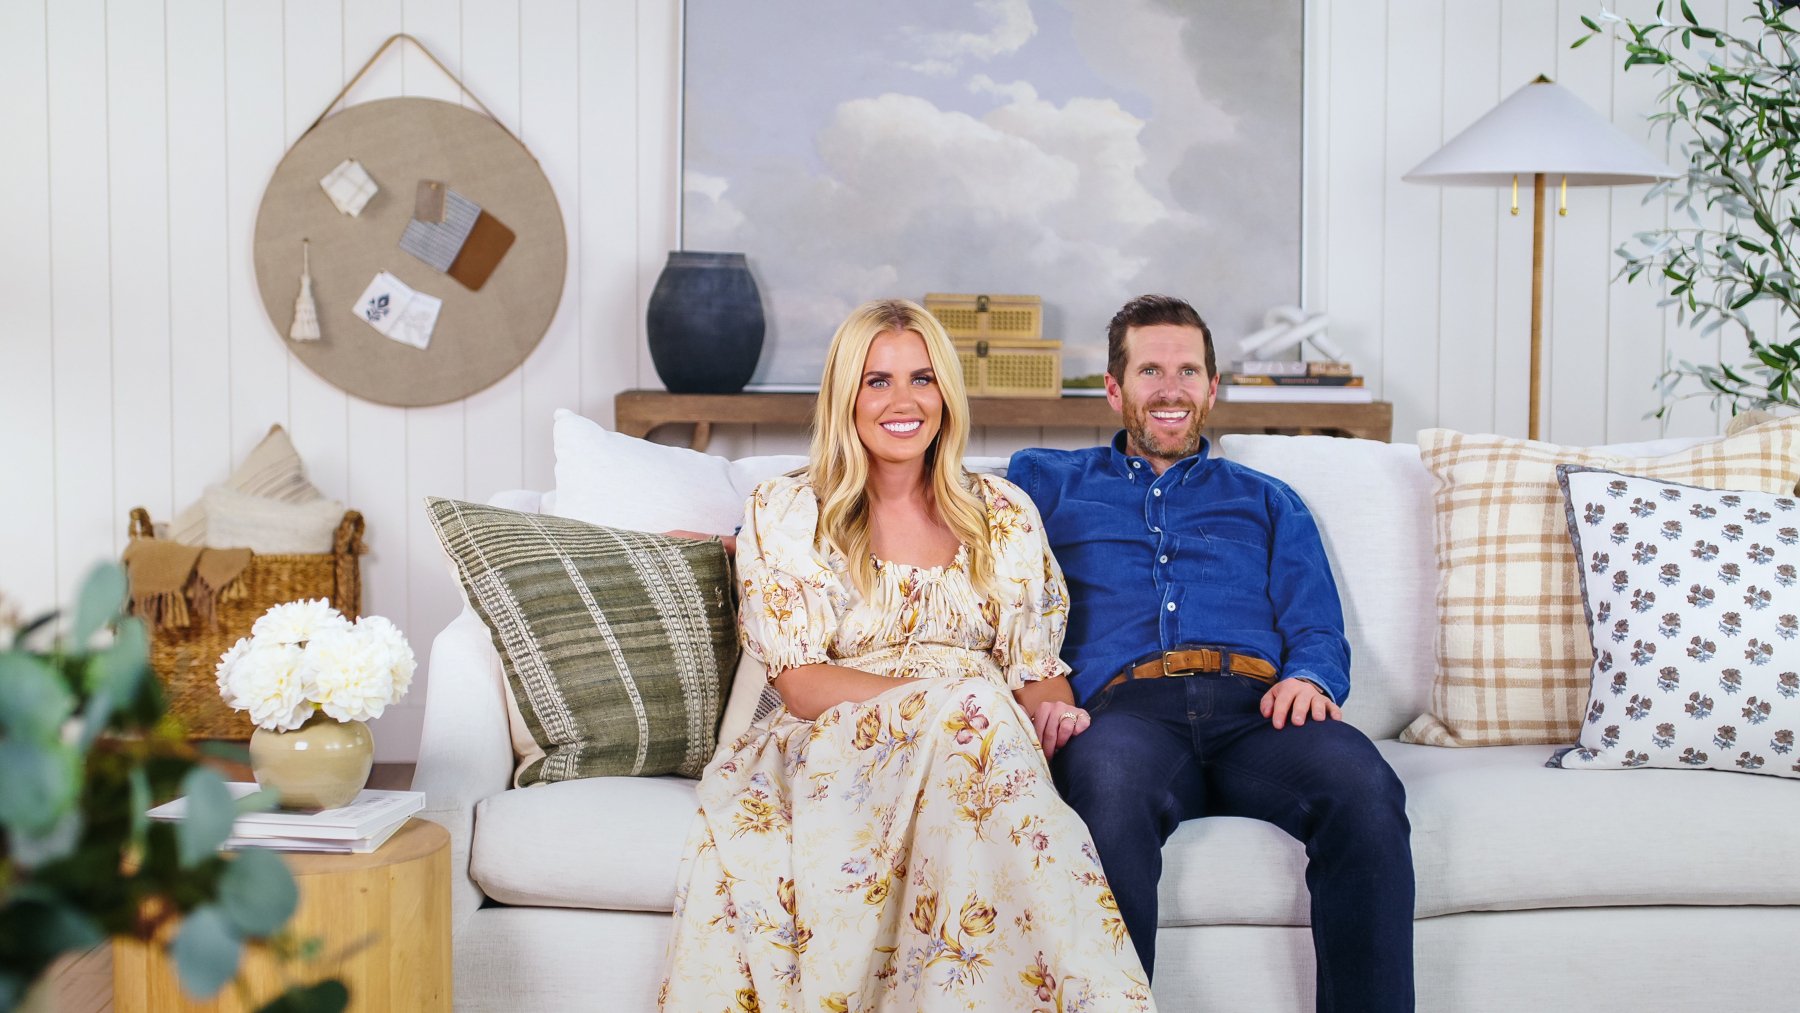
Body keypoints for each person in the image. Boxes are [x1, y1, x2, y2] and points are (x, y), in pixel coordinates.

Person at [659, 299, 1154, 1011]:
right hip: (838, 742)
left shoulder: (1003, 512)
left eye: (922, 379)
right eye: (877, 380)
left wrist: (1057, 718)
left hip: (982, 746)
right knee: (979, 717)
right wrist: (952, 704)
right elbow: (799, 682)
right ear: (845, 396)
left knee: (987, 738)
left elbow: (1037, 671)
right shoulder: (789, 510)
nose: (903, 401)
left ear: (946, 394)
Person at [1005, 294, 1415, 1012]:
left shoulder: (1267, 500)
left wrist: (1312, 676)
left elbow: (1317, 624)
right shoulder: (1048, 484)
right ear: (1114, 388)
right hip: (1124, 715)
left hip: (1260, 713)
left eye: (1188, 370)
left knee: (1367, 789)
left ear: (1212, 388)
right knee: (1103, 791)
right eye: (1151, 369)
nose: (1171, 388)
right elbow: (994, 584)